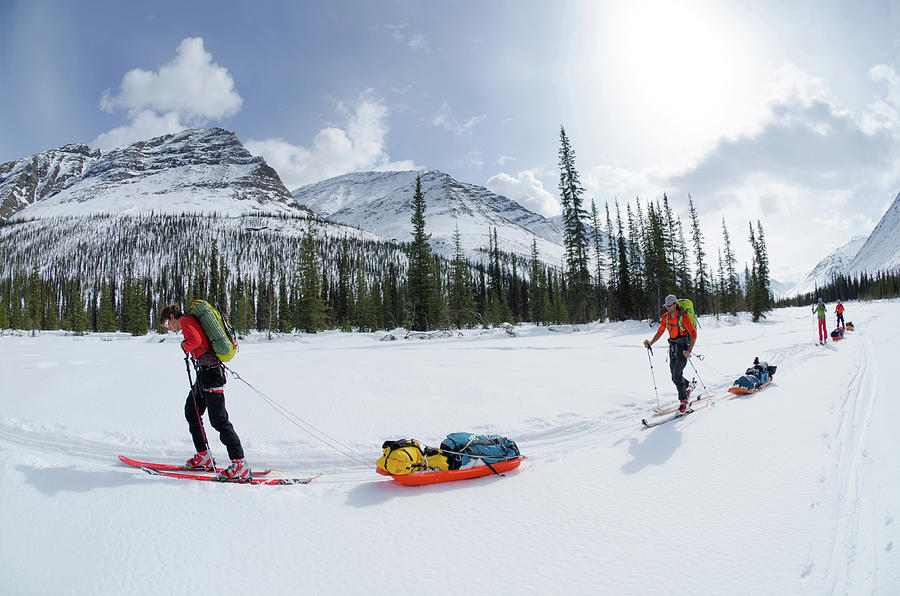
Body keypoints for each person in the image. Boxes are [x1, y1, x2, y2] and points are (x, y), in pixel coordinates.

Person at [159, 304, 251, 480]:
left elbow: (195, 341)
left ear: (172, 317)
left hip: (211, 373)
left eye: (166, 325)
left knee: (219, 420)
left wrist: (184, 346)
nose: (169, 329)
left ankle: (240, 465)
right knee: (191, 411)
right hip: (205, 373)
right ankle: (204, 456)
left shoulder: (185, 321)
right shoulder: (189, 320)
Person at [643, 294, 698, 415]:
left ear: (675, 305)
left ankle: (684, 404)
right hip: (673, 346)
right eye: (666, 306)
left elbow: (693, 334)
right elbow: (660, 332)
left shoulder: (683, 317)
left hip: (683, 346)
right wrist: (650, 343)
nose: (667, 308)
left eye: (669, 306)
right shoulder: (666, 317)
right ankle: (688, 385)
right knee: (674, 375)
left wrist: (689, 350)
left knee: (676, 376)